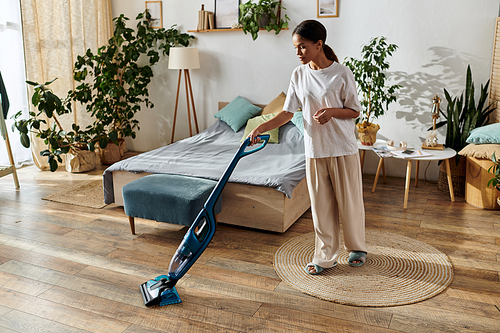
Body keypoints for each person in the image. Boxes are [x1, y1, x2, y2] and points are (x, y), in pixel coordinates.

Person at [249, 20, 367, 274]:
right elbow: (287, 113)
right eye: (295, 48)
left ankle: (356, 247)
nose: (298, 53)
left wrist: (333, 112)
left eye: (302, 47)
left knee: (349, 203)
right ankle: (325, 256)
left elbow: (355, 110)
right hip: (315, 149)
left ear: (318, 44)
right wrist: (261, 127)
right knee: (321, 206)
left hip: (342, 148)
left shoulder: (342, 73)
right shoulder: (298, 74)